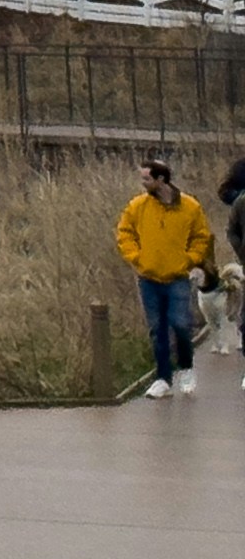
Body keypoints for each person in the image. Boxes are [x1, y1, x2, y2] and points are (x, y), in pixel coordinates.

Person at [117, 159, 218, 397]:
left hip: (177, 277)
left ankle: (186, 368)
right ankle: (163, 377)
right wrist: (136, 257)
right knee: (157, 328)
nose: (143, 183)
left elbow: (201, 237)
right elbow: (124, 232)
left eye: (147, 179)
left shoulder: (190, 207)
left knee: (181, 324)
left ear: (161, 180)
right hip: (148, 277)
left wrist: (189, 259)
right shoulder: (138, 206)